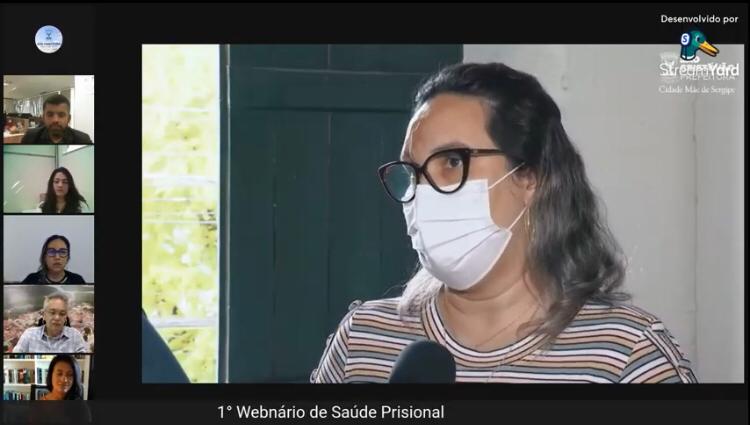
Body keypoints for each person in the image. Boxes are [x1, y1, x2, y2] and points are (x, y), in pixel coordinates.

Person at [312, 63, 697, 384]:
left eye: (452, 162)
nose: (424, 191)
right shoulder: (362, 341)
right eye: (412, 171)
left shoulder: (627, 354)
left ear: (529, 177)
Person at [12, 292, 89, 353]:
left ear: (66, 317)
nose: (57, 317)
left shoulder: (75, 336)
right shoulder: (29, 334)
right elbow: (15, 354)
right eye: (52, 312)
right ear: (44, 315)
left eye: (62, 314)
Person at [20, 94, 93, 144]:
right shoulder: (30, 137)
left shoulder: (83, 140)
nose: (55, 120)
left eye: (61, 115)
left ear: (69, 119)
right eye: (50, 115)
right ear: (43, 118)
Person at [21, 235, 86, 284]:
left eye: (63, 252)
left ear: (68, 257)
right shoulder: (31, 280)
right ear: (44, 256)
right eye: (51, 252)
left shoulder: (77, 280)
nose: (57, 257)